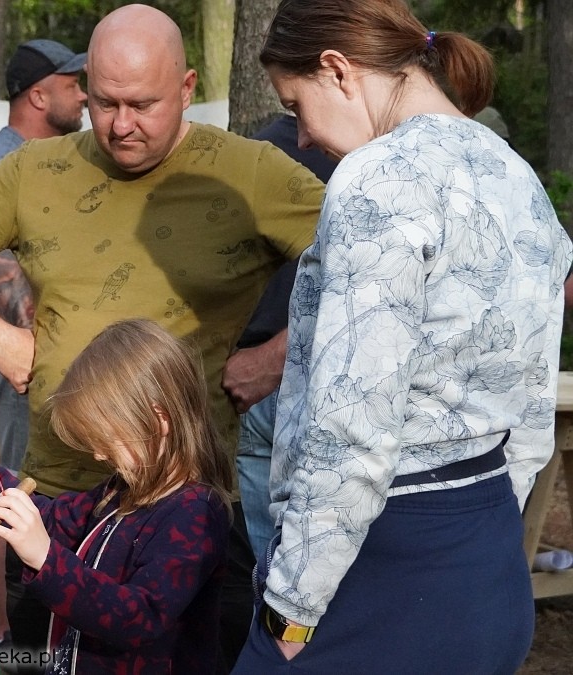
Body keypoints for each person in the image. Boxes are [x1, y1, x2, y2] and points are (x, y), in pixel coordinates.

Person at [0, 4, 323, 667]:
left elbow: (363, 269)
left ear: (186, 88)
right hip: (56, 499)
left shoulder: (250, 173)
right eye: (105, 103)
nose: (121, 124)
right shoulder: (34, 169)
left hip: (180, 509)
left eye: (142, 104)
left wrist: (275, 358)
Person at [234, 1, 573, 672]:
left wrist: (291, 609)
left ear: (338, 70)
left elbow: (353, 427)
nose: (303, 137)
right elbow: (531, 402)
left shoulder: (378, 179)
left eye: (296, 107)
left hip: (378, 561)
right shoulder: (513, 173)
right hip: (488, 565)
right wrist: (486, 534)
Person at [0, 318, 232, 673]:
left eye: (105, 438)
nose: (98, 455)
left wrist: (46, 559)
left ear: (159, 420)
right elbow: (48, 519)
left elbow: (138, 617)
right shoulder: (121, 490)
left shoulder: (196, 515)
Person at [0, 38, 88, 650]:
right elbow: (4, 282)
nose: (84, 96)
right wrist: (33, 349)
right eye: (73, 84)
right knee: (15, 489)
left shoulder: (60, 157)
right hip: (25, 361)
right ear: (39, 95)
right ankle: (8, 632)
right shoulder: (0, 163)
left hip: (69, 358)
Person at [223, 114, 337, 562]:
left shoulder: (257, 153)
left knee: (280, 566)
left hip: (275, 376)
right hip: (265, 385)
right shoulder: (380, 165)